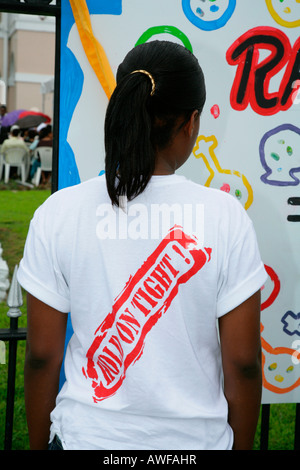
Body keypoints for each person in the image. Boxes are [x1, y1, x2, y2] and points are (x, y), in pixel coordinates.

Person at [17, 41, 267, 451]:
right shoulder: (225, 217)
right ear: (191, 123)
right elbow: (243, 364)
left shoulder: (59, 212)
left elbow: (42, 357)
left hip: (84, 438)